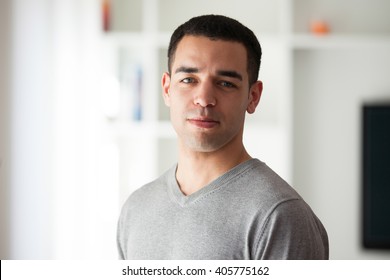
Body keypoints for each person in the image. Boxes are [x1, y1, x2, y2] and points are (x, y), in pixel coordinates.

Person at [117, 14, 329, 260]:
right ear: (167, 89)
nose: (204, 98)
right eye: (188, 79)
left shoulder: (279, 216)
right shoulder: (136, 209)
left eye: (226, 83)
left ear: (253, 97)